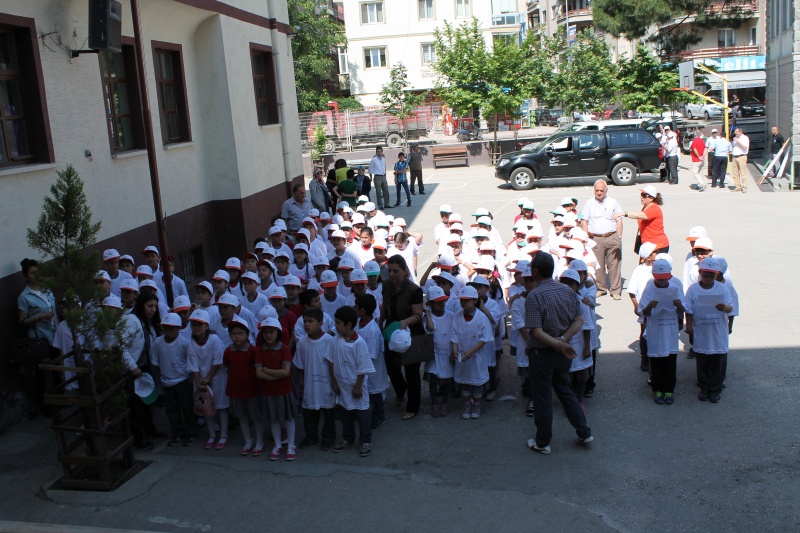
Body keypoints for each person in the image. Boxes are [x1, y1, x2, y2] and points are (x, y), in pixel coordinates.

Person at [524, 253, 593, 455]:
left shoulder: (534, 296)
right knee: (565, 391)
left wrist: (557, 344)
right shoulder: (567, 291)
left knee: (542, 397)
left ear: (535, 271)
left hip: (542, 353)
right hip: (563, 352)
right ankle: (584, 431)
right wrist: (563, 342)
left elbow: (536, 331)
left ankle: (543, 442)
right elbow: (578, 320)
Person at [325, 306, 375, 458]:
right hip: (341, 386)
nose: (335, 325)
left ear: (348, 325)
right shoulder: (335, 341)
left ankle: (365, 440)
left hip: (356, 387)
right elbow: (331, 361)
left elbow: (363, 367)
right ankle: (348, 438)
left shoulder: (359, 343)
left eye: (338, 323)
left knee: (362, 414)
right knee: (344, 413)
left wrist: (358, 386)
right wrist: (334, 382)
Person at [379, 255, 425, 420]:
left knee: (412, 371)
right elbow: (385, 306)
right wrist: (380, 322)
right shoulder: (385, 286)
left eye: (395, 271)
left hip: (411, 332)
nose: (391, 274)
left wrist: (406, 321)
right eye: (389, 270)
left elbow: (418, 315)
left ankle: (413, 406)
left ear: (405, 271)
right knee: (391, 366)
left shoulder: (414, 290)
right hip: (392, 331)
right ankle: (400, 390)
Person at [685, 257, 734, 403]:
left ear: (716, 274)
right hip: (702, 331)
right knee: (703, 362)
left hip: (718, 331)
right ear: (700, 272)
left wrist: (724, 308)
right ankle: (704, 387)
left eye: (711, 275)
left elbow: (731, 307)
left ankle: (715, 389)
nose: (708, 278)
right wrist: (689, 326)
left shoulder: (722, 288)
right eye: (705, 274)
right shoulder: (693, 289)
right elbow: (688, 309)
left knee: (718, 362)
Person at [638, 259, 685, 405]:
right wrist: (649, 307)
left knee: (670, 363)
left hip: (669, 329)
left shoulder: (675, 287)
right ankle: (657, 390)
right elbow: (641, 311)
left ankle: (669, 390)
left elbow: (684, 309)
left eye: (665, 278)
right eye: (660, 278)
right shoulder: (650, 288)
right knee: (657, 363)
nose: (663, 281)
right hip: (655, 330)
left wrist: (679, 306)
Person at [255, 317, 298, 461]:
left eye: (272, 331)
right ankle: (278, 445)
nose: (268, 335)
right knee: (273, 419)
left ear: (278, 332)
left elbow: (286, 372)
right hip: (269, 391)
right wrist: (276, 375)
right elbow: (259, 374)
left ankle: (291, 445)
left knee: (289, 418)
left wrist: (267, 370)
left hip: (285, 390)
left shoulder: (284, 349)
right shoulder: (260, 351)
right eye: (265, 332)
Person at [294, 308, 336, 451]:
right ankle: (311, 436)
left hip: (326, 384)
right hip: (309, 384)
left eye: (310, 321)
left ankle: (328, 437)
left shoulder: (330, 340)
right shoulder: (302, 343)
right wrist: (300, 381)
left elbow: (334, 363)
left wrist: (335, 383)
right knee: (309, 412)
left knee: (328, 412)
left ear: (320, 323)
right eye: (305, 321)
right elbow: (300, 364)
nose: (306, 324)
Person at [186, 309, 229, 451]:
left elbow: (218, 361)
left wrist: (208, 378)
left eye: (200, 324)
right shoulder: (192, 343)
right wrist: (199, 383)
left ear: (207, 326)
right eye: (194, 324)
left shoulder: (214, 339)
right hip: (201, 381)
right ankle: (211, 434)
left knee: (221, 407)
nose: (196, 327)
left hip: (216, 378)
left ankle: (223, 435)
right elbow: (193, 365)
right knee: (206, 409)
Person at [151, 313, 194, 447]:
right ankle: (177, 432)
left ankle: (190, 432)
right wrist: (157, 380)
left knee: (187, 408)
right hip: (166, 381)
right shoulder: (158, 342)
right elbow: (154, 362)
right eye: (166, 328)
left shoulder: (184, 343)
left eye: (171, 328)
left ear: (178, 328)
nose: (168, 331)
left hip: (182, 380)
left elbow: (191, 361)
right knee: (172, 409)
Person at [450, 285, 493, 420]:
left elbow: (484, 339)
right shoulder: (457, 317)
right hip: (463, 357)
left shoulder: (481, 317)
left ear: (474, 301)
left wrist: (470, 352)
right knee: (465, 382)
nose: (463, 303)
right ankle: (467, 403)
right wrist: (455, 350)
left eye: (466, 300)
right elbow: (454, 335)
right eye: (462, 300)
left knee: (476, 383)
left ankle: (477, 404)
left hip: (476, 357)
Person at [223, 317, 264, 456]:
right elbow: (227, 366)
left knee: (256, 416)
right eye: (234, 333)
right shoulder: (228, 352)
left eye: (240, 333)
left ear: (247, 335)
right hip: (236, 389)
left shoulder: (253, 351)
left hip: (252, 389)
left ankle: (259, 441)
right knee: (242, 417)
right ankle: (248, 440)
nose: (237, 336)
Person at [580, 180, 623, 299]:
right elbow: (584, 221)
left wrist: (618, 237)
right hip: (595, 238)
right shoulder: (589, 203)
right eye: (597, 190)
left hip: (611, 236)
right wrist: (585, 238)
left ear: (606, 191)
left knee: (614, 264)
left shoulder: (613, 202)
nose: (599, 193)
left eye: (601, 191)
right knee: (598, 265)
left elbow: (619, 220)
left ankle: (615, 290)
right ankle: (601, 288)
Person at [613, 185, 669, 254]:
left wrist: (624, 213)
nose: (641, 197)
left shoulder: (654, 208)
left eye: (644, 195)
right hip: (647, 246)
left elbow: (640, 215)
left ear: (651, 198)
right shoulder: (645, 207)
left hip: (657, 246)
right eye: (641, 194)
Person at [17, 258, 58, 347]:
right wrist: (39, 317)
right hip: (40, 339)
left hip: (56, 336)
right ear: (26, 276)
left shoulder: (46, 289)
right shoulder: (24, 296)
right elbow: (23, 321)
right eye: (32, 273)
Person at [368, 146, 390, 210]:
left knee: (386, 191)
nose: (379, 153)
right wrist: (371, 177)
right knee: (378, 192)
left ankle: (386, 204)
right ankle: (380, 205)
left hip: (383, 176)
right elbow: (370, 169)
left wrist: (385, 175)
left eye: (380, 151)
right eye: (378, 152)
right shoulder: (374, 160)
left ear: (382, 152)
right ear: (376, 152)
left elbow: (384, 167)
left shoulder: (383, 159)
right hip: (377, 176)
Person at [730, 128, 750, 193]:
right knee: (735, 173)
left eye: (736, 131)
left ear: (740, 132)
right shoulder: (735, 138)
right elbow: (733, 146)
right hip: (735, 156)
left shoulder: (745, 138)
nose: (735, 133)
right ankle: (737, 187)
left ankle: (744, 187)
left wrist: (738, 141)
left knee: (743, 173)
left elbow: (744, 147)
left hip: (742, 156)